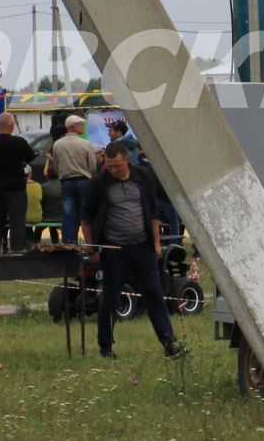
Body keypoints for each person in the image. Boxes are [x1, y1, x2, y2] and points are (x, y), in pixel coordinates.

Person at [80, 141, 188, 362]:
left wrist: (156, 243)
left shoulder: (143, 177)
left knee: (155, 296)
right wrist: (93, 249)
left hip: (143, 248)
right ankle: (106, 347)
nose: (112, 170)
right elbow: (86, 218)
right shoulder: (99, 184)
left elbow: (153, 211)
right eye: (108, 166)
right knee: (109, 299)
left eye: (116, 166)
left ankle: (169, 344)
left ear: (127, 159)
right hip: (114, 251)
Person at [0, 113, 35, 252]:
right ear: (12, 126)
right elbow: (31, 156)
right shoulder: (19, 142)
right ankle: (17, 249)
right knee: (17, 220)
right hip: (16, 186)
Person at [46, 114, 95, 244]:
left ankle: (69, 243)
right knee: (86, 213)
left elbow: (56, 166)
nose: (82, 126)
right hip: (84, 181)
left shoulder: (57, 144)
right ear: (72, 127)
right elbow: (92, 166)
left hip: (66, 182)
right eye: (80, 124)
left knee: (68, 214)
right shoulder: (85, 143)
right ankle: (91, 243)